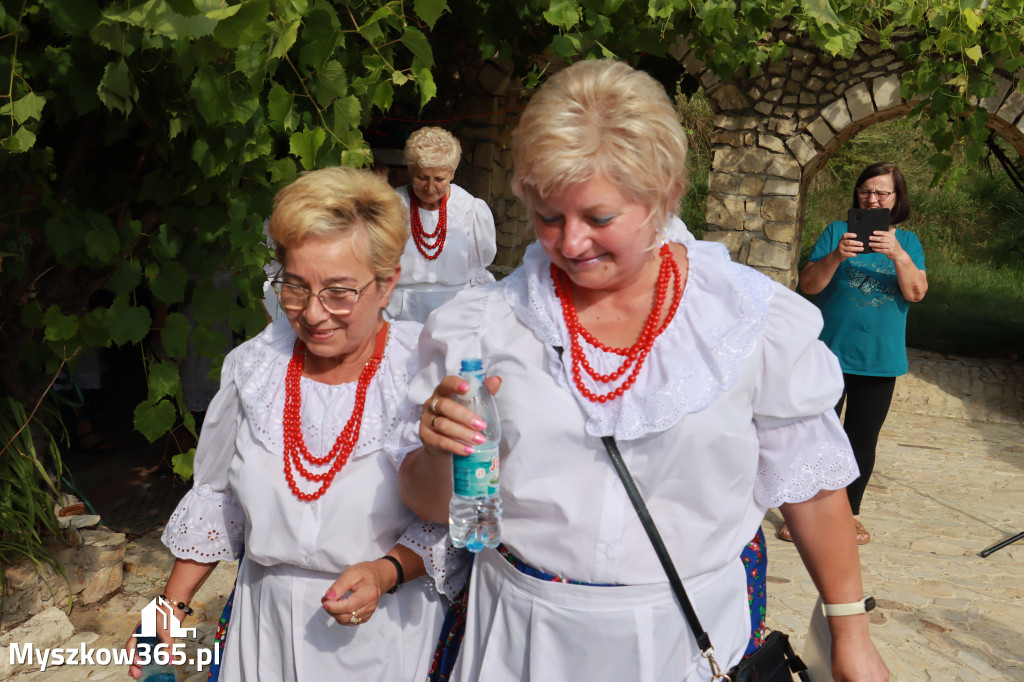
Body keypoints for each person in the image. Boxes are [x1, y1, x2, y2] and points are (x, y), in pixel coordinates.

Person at [398, 59, 890, 682]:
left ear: (664, 197)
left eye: (599, 218)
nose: (571, 243)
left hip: (684, 643)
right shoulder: (485, 326)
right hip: (523, 641)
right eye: (549, 217)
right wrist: (442, 453)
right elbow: (430, 500)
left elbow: (813, 487)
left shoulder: (744, 321)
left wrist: (850, 632)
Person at [127, 167, 461, 681]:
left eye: (339, 292)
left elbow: (450, 518)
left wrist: (386, 570)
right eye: (295, 286)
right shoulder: (254, 367)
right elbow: (220, 498)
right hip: (263, 631)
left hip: (384, 634)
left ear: (388, 282)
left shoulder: (422, 373)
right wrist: (168, 612)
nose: (313, 313)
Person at [784, 163, 927, 545]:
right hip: (827, 356)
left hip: (880, 360)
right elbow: (809, 285)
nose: (873, 198)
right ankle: (802, 510)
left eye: (882, 192)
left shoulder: (909, 243)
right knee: (815, 436)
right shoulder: (836, 232)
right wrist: (835, 257)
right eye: (866, 191)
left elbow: (916, 292)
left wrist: (897, 254)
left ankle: (849, 514)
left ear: (897, 199)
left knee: (860, 440)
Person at [385, 126, 497, 323]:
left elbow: (477, 269)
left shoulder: (470, 209)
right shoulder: (391, 206)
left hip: (454, 311)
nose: (430, 188)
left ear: (452, 173)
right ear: (410, 170)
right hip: (399, 313)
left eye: (439, 179)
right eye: (421, 177)